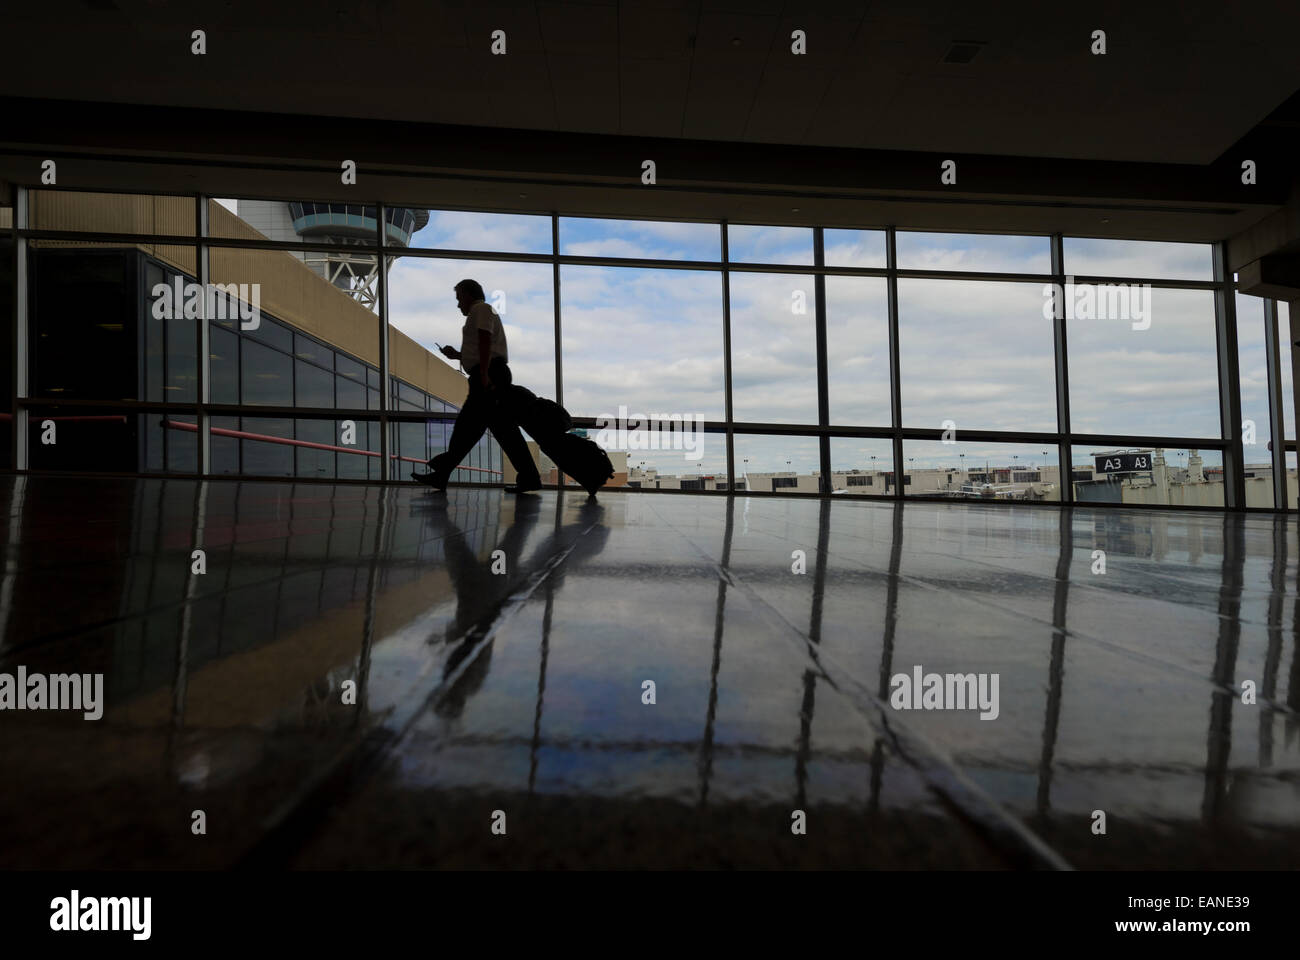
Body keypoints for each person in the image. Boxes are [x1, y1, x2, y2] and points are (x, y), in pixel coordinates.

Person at [413, 279, 543, 494]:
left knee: (469, 427)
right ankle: (529, 477)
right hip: (492, 373)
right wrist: (458, 356)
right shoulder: (484, 310)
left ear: (468, 295)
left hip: (488, 374)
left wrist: (483, 373)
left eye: (459, 299)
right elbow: (484, 345)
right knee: (500, 430)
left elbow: (485, 340)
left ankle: (442, 471)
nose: (458, 305)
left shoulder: (480, 309)